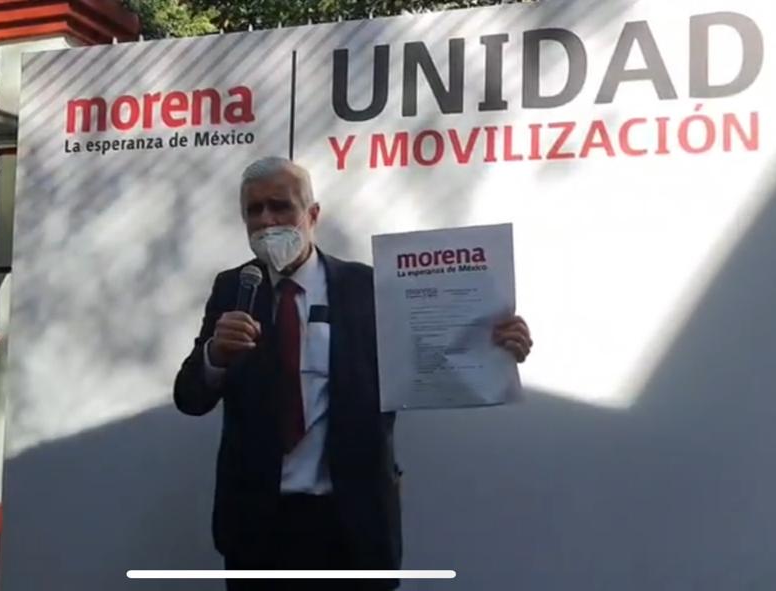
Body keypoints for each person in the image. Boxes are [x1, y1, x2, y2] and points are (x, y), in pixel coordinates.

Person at [172, 157, 532, 590]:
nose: (266, 221)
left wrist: (495, 345)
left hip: (353, 525)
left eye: (280, 206)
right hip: (259, 528)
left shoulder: (369, 288)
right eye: (254, 210)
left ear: (312, 214)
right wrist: (215, 355)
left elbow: (433, 352)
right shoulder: (234, 288)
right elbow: (190, 396)